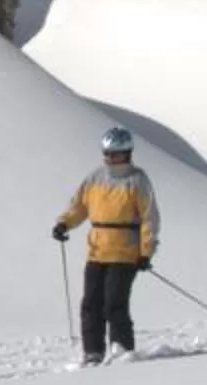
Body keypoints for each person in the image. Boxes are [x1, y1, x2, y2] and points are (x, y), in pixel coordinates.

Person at [53, 125, 160, 366]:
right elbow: (79, 206)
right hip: (97, 249)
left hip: (126, 251)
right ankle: (93, 352)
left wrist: (146, 251)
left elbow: (149, 217)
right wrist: (64, 224)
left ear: (128, 153)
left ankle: (122, 349)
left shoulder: (137, 180)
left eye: (118, 153)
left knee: (114, 302)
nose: (112, 159)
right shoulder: (95, 178)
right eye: (108, 154)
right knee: (91, 302)